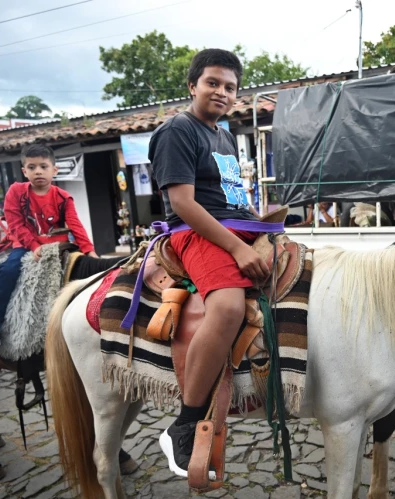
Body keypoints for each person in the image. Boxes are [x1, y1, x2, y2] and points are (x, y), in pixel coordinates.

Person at [149, 48, 270, 476]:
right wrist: (238, 249)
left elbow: (232, 195)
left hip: (236, 225)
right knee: (228, 306)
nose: (221, 92)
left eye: (230, 87)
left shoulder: (224, 135)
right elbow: (183, 203)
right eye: (212, 83)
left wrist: (261, 225)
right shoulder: (177, 131)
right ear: (193, 86)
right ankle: (184, 424)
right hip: (193, 231)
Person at [0, 144, 98, 356]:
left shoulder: (63, 197)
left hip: (58, 245)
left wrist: (89, 251)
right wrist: (34, 246)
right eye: (32, 167)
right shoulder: (16, 192)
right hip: (24, 245)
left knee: (83, 271)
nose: (38, 171)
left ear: (54, 170)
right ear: (25, 171)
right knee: (8, 270)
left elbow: (75, 225)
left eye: (44, 166)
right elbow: (16, 224)